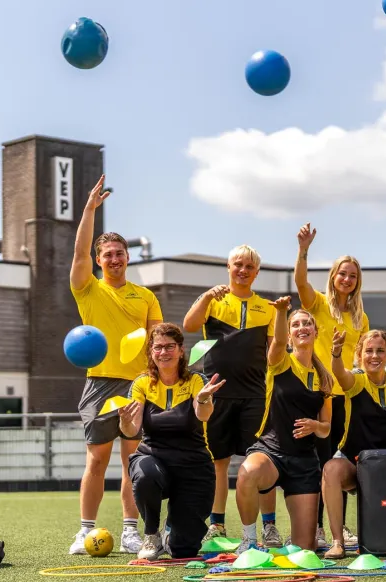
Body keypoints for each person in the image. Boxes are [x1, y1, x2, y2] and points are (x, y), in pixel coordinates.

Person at [68, 175, 163, 555]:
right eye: (107, 254)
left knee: (132, 460)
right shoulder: (88, 287)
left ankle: (129, 531)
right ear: (98, 260)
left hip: (138, 385)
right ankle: (84, 530)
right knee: (97, 459)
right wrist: (90, 209)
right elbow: (77, 255)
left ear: (128, 257)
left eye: (119, 253)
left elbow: (158, 341)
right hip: (99, 383)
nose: (114, 258)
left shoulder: (145, 296)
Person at [182, 245, 282, 547]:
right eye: (238, 264)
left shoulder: (266, 307)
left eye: (249, 266)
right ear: (228, 267)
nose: (243, 270)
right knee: (219, 463)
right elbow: (188, 325)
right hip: (218, 395)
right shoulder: (213, 301)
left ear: (256, 272)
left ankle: (269, 527)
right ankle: (217, 525)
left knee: (261, 461)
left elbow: (275, 351)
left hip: (255, 396)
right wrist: (206, 296)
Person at [118, 323, 226, 560]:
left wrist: (204, 399)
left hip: (193, 466)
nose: (163, 352)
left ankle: (172, 531)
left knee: (183, 549)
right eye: (158, 347)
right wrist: (124, 422)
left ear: (180, 350)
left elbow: (203, 415)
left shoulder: (197, 380)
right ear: (151, 352)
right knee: (145, 474)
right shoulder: (142, 383)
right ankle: (151, 535)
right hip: (153, 459)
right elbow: (132, 429)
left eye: (169, 347)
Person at [234, 303, 333, 554]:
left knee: (305, 550)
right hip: (271, 452)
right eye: (296, 324)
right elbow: (276, 341)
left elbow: (326, 429)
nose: (302, 327)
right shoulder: (281, 362)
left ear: (315, 331)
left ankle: (294, 541)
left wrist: (315, 425)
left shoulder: (324, 377)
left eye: (307, 323)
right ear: (289, 334)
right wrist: (280, 312)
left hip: (304, 463)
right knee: (247, 472)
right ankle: (249, 541)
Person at [293, 222, 369, 550]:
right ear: (334, 276)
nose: (347, 279)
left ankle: (338, 526)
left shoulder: (360, 318)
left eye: (352, 275)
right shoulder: (320, 304)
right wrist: (304, 250)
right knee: (320, 462)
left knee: (341, 462)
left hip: (346, 397)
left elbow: (362, 357)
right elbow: (299, 281)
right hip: (317, 395)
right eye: (342, 274)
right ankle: (318, 530)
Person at [322, 328, 386, 559]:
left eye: (380, 350)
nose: (374, 356)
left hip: (384, 468)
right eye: (369, 351)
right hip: (353, 463)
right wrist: (336, 352)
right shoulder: (356, 381)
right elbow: (339, 372)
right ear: (360, 354)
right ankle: (338, 542)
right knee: (330, 469)